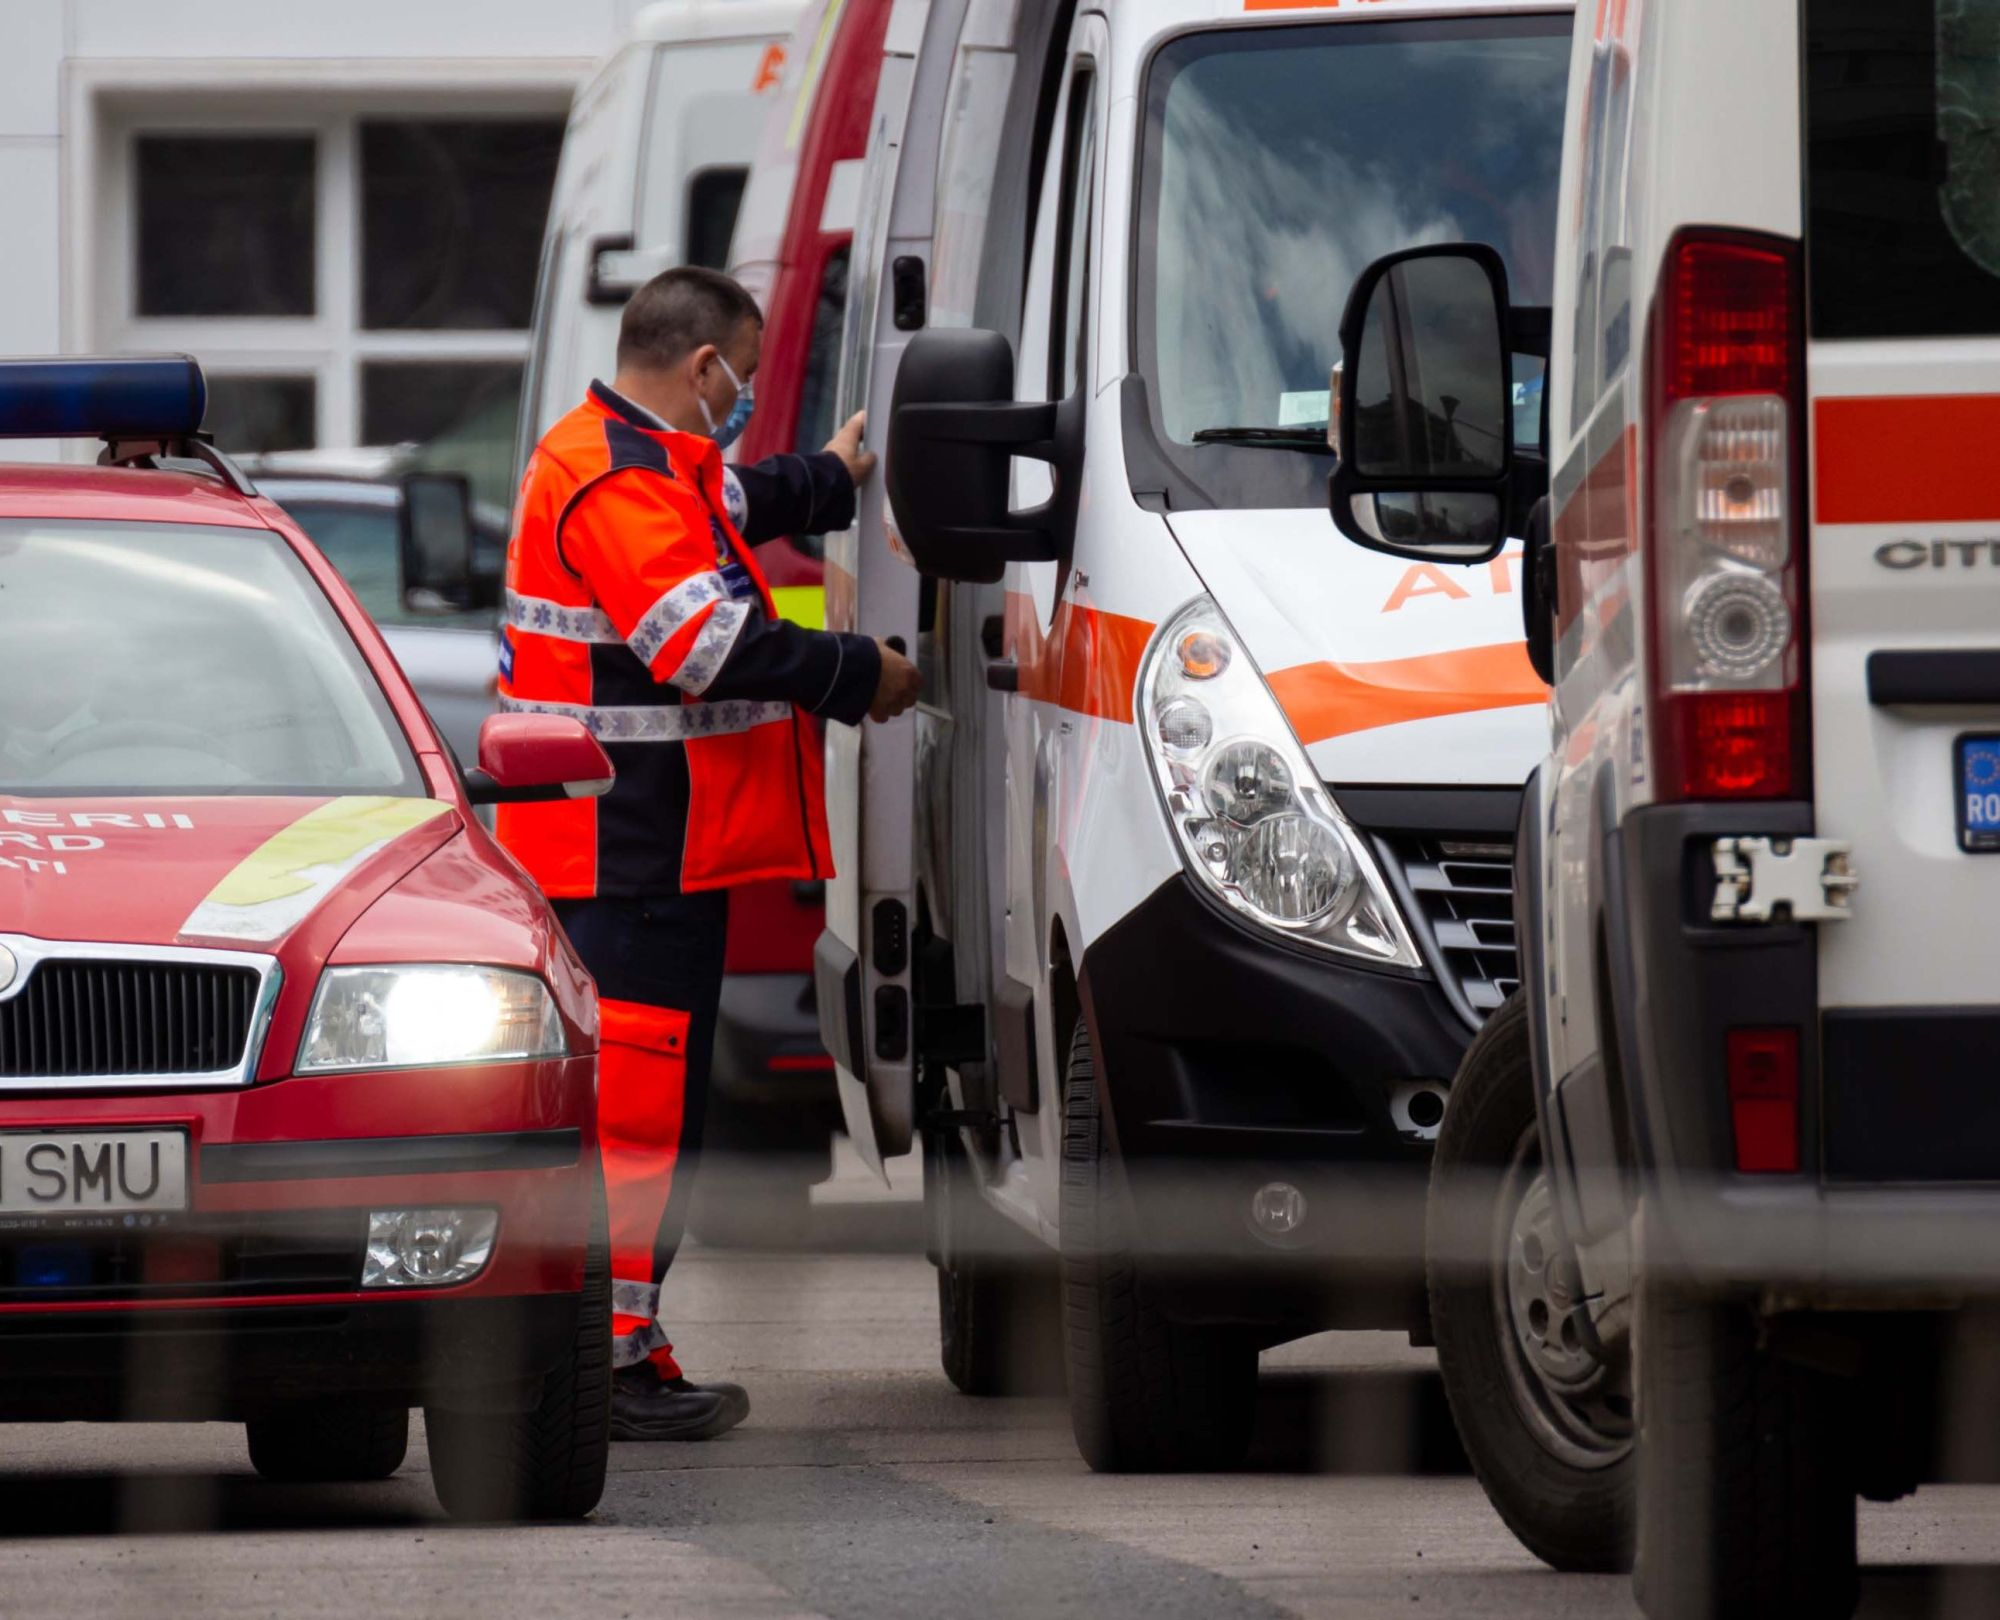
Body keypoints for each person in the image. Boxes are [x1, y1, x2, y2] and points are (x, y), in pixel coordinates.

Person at [496, 265, 922, 1442]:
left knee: (648, 1118)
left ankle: (618, 1347)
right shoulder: (615, 480)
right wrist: (857, 676)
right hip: (627, 858)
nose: (739, 399)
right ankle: (616, 1364)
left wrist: (826, 481)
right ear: (704, 368)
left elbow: (730, 495)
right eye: (740, 373)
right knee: (637, 1125)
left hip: (641, 857)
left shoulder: (633, 457)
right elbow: (706, 645)